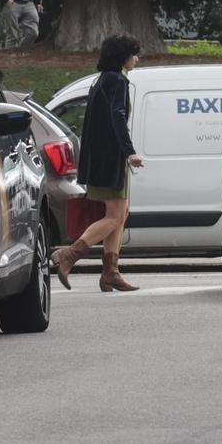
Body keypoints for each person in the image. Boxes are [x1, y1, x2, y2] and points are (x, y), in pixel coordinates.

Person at [51, 34, 146, 292]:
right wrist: (130, 151)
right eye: (134, 53)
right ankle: (68, 256)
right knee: (115, 215)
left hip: (99, 157)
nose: (136, 58)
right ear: (123, 56)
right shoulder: (117, 81)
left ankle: (110, 272)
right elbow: (117, 117)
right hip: (110, 157)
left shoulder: (101, 80)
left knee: (119, 213)